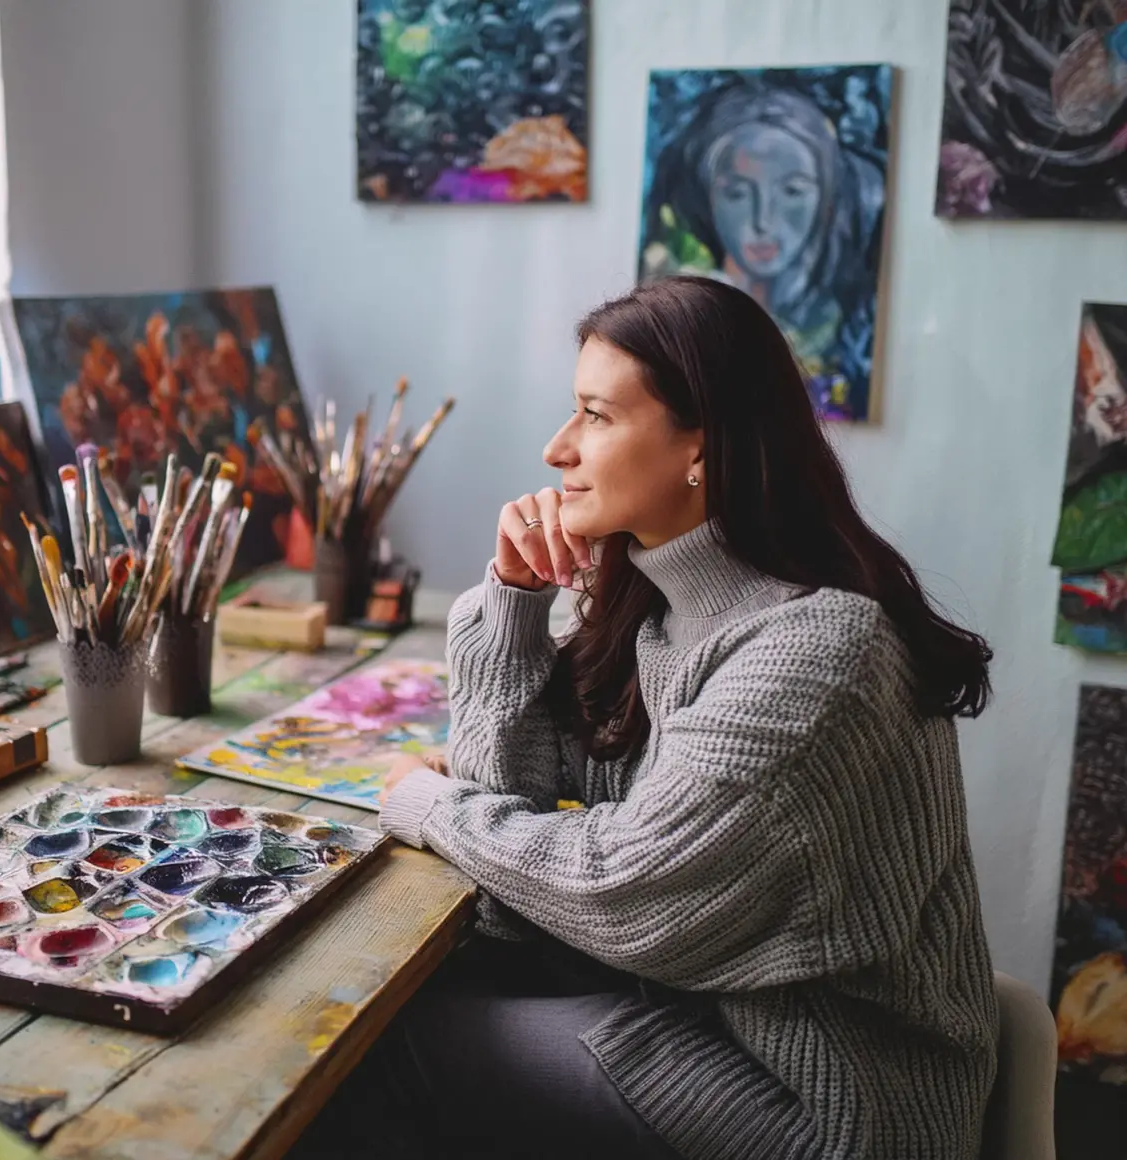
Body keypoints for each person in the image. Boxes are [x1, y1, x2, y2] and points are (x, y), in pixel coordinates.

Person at [294, 276, 998, 1160]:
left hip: (831, 1109)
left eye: (596, 415)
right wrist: (511, 599)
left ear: (701, 445)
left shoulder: (823, 653)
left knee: (360, 1043)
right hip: (696, 1015)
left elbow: (619, 890)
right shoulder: (655, 617)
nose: (557, 449)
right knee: (417, 990)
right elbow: (515, 887)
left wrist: (426, 806)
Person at [640, 83, 886, 419]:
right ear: (707, 201)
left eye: (792, 191)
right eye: (738, 193)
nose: (763, 220)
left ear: (826, 201)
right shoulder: (681, 321)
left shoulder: (847, 330)